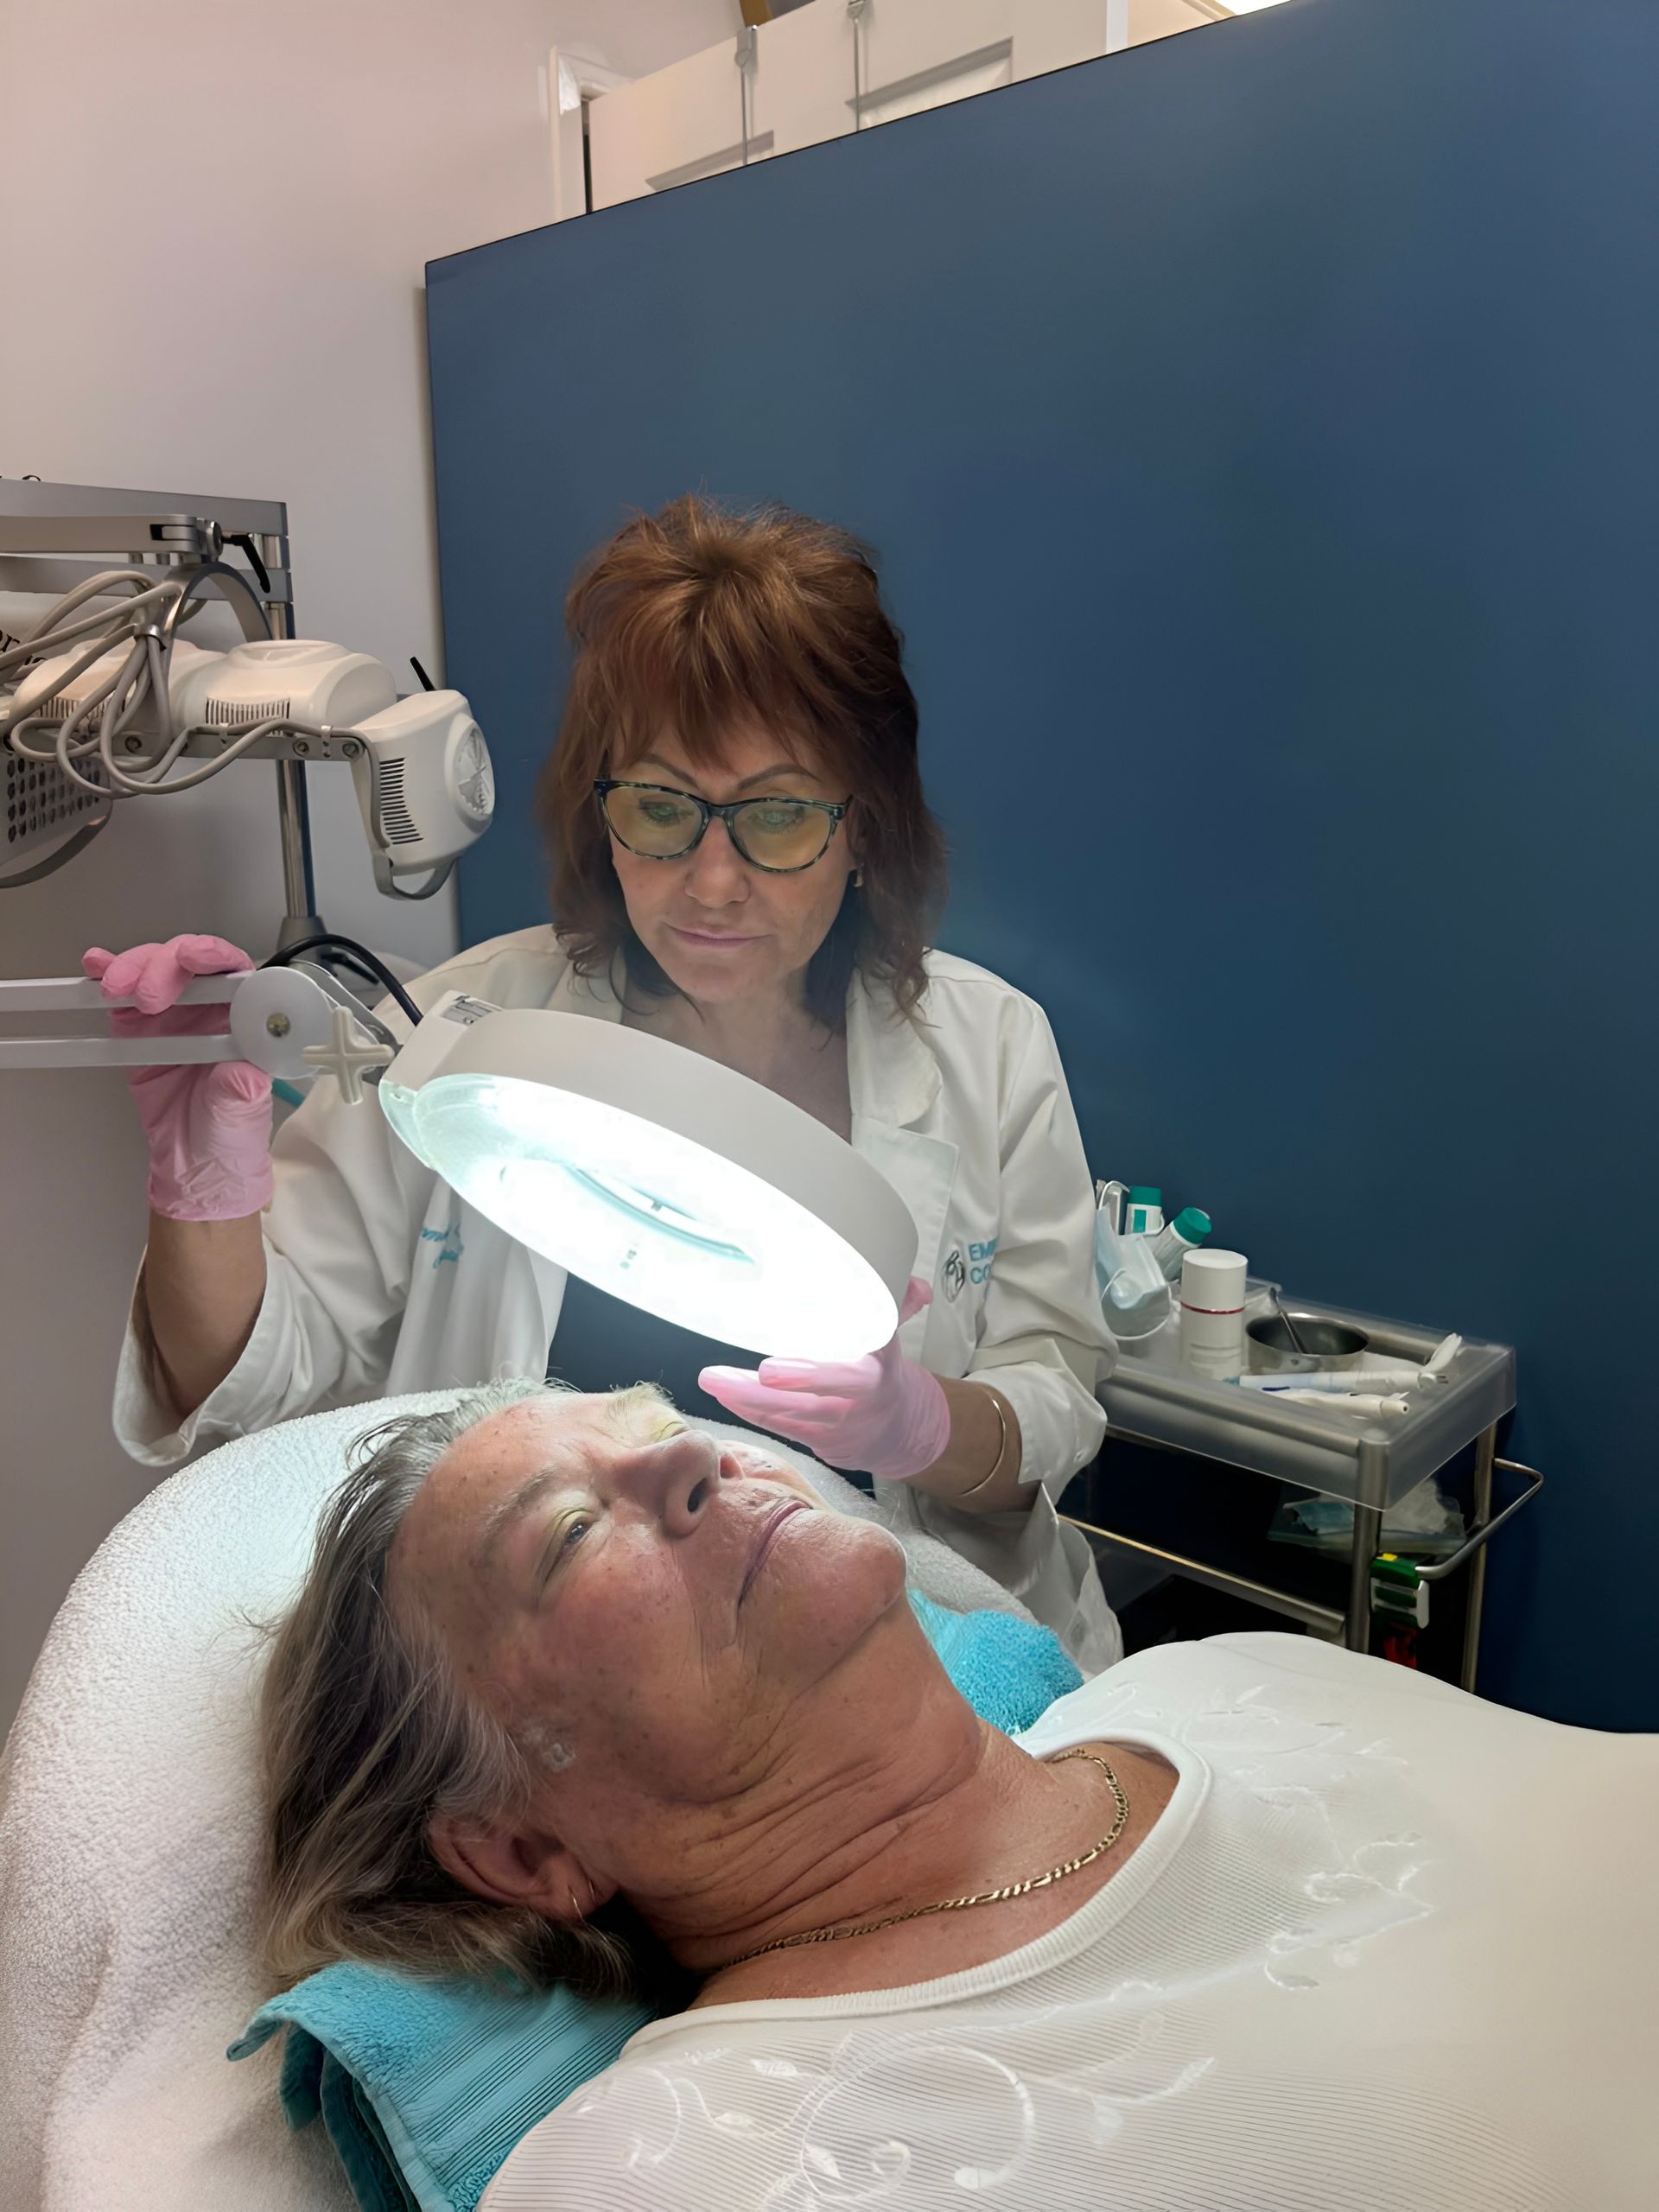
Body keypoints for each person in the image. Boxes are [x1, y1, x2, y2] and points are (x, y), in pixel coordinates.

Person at [92, 496, 1117, 1666]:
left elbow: (1052, 1399)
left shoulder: (989, 1048)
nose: (712, 881)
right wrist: (201, 1189)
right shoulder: (461, 1036)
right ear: (602, 813)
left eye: (777, 816)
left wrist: (922, 1427)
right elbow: (247, 1400)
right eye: (661, 809)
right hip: (566, 1687)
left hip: (917, 1660)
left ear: (866, 830)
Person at [260, 1382, 1659, 2212]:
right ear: (519, 1844)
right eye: (569, 1534)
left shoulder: (1227, 1675)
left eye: (663, 1427)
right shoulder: (679, 2170)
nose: (694, 1456)